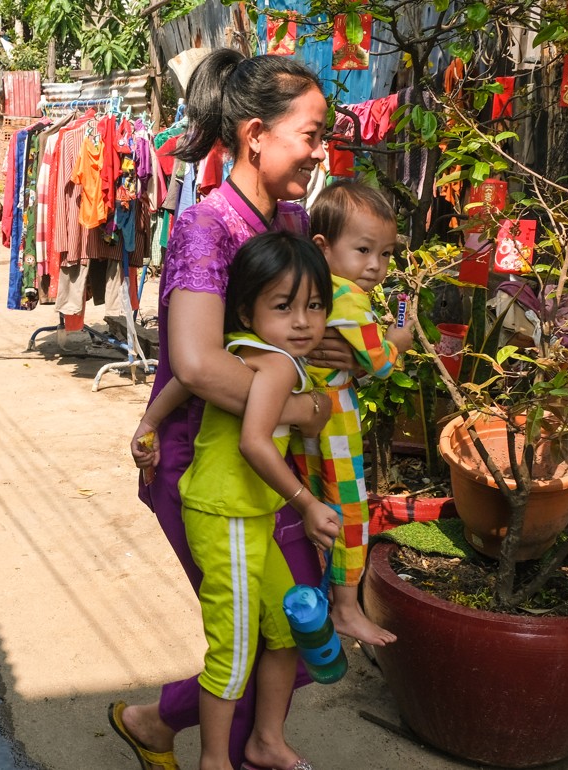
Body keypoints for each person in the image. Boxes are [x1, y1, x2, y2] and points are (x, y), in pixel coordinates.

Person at [111, 49, 357, 770]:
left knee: (299, 625)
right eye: (311, 134)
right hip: (204, 466)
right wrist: (301, 405)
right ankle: (225, 745)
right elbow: (196, 363)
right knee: (251, 635)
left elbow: (280, 329)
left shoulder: (285, 216)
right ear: (256, 134)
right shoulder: (205, 227)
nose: (321, 151)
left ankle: (160, 724)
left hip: (265, 459)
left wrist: (327, 340)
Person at [133, 232, 341, 770]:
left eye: (314, 306)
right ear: (247, 309)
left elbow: (186, 377)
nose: (302, 322)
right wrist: (304, 503)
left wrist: (150, 422)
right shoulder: (275, 366)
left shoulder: (245, 348)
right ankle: (214, 762)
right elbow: (254, 442)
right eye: (283, 307)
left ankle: (264, 742)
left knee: (283, 625)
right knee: (234, 651)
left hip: (245, 516)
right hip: (228, 518)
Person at [301, 180, 414, 646]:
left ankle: (321, 595)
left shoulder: (312, 283)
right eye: (364, 249)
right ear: (324, 248)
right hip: (337, 423)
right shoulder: (347, 297)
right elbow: (383, 363)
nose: (376, 266)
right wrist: (401, 334)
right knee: (349, 511)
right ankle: (346, 608)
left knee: (315, 503)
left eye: (386, 254)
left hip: (307, 415)